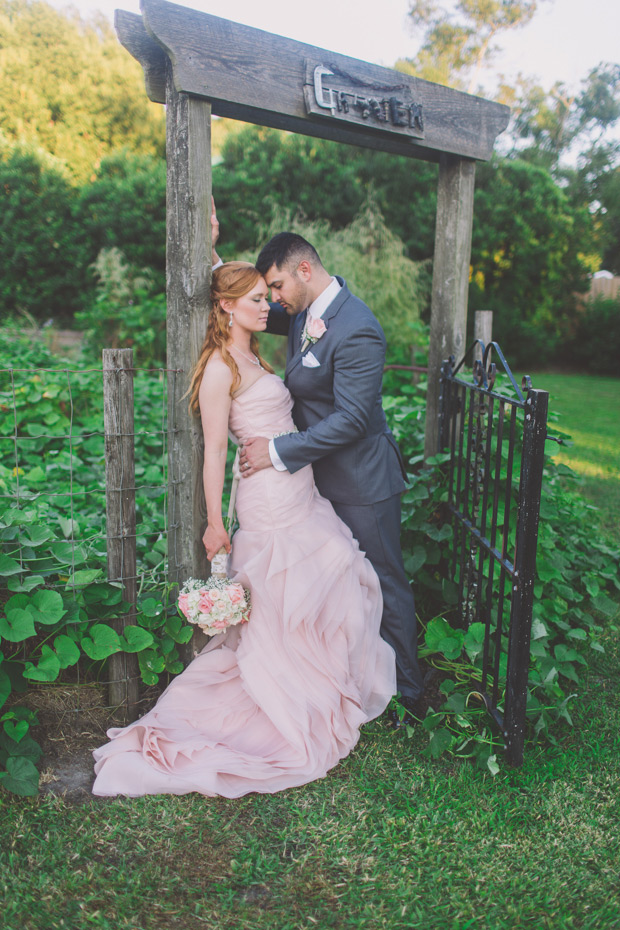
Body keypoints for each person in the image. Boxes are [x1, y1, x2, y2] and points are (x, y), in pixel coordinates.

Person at [92, 261, 396, 798]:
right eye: (257, 299)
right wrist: (214, 523)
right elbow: (214, 451)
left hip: (298, 489)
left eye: (268, 295)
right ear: (227, 306)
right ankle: (282, 701)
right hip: (268, 501)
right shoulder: (218, 369)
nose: (268, 307)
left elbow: (234, 285)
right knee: (284, 603)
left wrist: (211, 247)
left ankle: (317, 686)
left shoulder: (251, 351)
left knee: (337, 578)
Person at [237, 232, 425, 721]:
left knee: (383, 580)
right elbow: (251, 307)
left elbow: (352, 420)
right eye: (270, 291)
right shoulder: (304, 311)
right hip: (322, 480)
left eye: (277, 285)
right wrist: (217, 258)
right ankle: (356, 678)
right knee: (345, 584)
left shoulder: (358, 326)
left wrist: (276, 449)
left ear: (303, 270)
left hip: (363, 482)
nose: (274, 299)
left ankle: (409, 692)